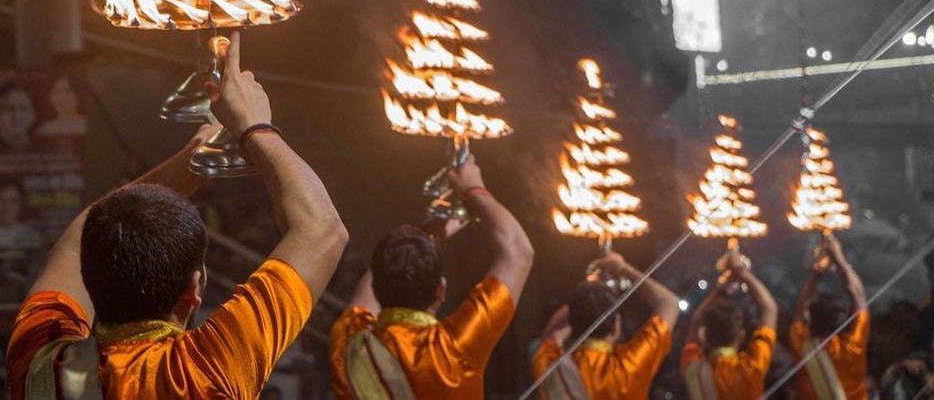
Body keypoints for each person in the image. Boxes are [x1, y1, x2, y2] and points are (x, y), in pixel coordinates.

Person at [5, 30, 349, 400]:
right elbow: (322, 228)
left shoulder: (39, 368)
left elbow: (75, 242)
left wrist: (197, 160)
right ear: (195, 289)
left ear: (89, 280)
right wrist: (252, 124)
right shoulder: (205, 370)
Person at [328, 152, 534, 399]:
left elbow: (365, 293)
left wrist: (426, 231)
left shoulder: (351, 340)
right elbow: (519, 252)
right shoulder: (454, 347)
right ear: (441, 290)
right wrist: (472, 188)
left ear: (376, 288)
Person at [532, 251, 680, 400]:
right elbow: (669, 303)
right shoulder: (630, 364)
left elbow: (552, 333)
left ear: (571, 323)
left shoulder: (553, 366)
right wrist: (623, 268)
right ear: (616, 326)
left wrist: (588, 291)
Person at [680, 252, 779, 400]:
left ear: (704, 335)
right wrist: (741, 272)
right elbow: (769, 310)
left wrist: (721, 287)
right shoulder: (751, 368)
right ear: (741, 335)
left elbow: (696, 321)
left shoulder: (693, 369)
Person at [789, 235, 869, 400]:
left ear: (809, 319)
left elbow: (800, 309)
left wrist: (816, 273)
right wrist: (839, 257)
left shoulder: (802, 345)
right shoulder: (852, 346)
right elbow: (858, 296)